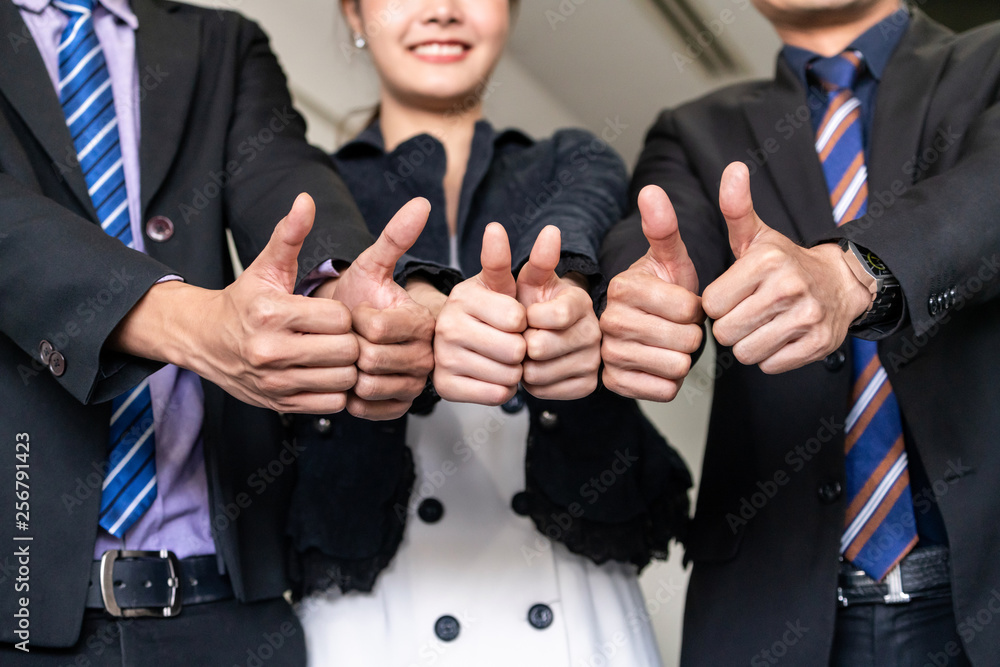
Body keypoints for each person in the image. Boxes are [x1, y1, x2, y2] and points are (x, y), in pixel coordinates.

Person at [0, 0, 439, 663]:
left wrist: (337, 284)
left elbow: (286, 179)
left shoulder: (223, 42)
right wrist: (189, 322)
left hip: (231, 613)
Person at [286, 0, 692, 665]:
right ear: (354, 15)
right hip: (373, 612)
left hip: (571, 600)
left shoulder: (574, 157)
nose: (443, 10)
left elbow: (577, 224)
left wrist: (559, 295)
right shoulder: (310, 186)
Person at [599, 0, 1000, 664]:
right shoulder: (694, 129)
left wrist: (855, 274)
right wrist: (644, 296)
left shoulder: (989, 58)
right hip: (772, 611)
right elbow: (662, 245)